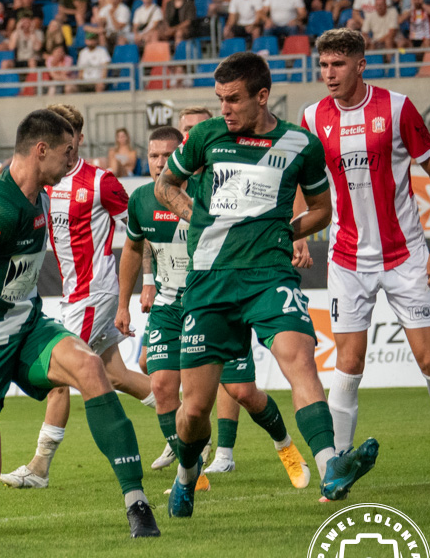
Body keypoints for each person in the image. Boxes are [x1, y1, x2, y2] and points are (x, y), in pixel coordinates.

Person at [155, 52, 379, 517]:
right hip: (210, 280)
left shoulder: (302, 144)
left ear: (262, 96)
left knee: (300, 360)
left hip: (269, 274)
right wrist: (195, 216)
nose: (225, 109)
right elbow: (165, 184)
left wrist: (285, 230)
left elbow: (322, 209)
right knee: (194, 410)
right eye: (220, 99)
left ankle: (330, 466)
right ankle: (187, 475)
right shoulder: (207, 136)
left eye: (233, 99)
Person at [0, 109, 160, 539]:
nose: (72, 159)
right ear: (41, 150)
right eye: (66, 151)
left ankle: (137, 502)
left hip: (27, 326)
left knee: (91, 366)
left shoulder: (40, 194)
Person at [115, 127, 311, 494]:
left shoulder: (214, 193)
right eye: (154, 155)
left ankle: (285, 445)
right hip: (170, 307)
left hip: (214, 301)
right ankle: (192, 474)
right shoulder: (141, 199)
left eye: (167, 155)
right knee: (161, 385)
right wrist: (126, 300)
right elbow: (134, 247)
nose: (159, 162)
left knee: (243, 391)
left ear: (184, 157)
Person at [299, 29, 430, 453]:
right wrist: (299, 232)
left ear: (360, 65)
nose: (329, 73)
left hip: (405, 255)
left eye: (338, 64)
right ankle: (336, 467)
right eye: (324, 65)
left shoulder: (397, 107)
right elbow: (301, 177)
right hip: (347, 259)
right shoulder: (312, 117)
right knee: (347, 363)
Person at [0, 104, 154, 490]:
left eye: (66, 137)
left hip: (94, 292)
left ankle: (39, 466)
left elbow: (140, 233)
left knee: (60, 374)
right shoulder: (44, 183)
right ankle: (186, 424)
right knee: (116, 376)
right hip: (72, 293)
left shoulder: (101, 182)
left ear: (77, 139)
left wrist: (146, 283)